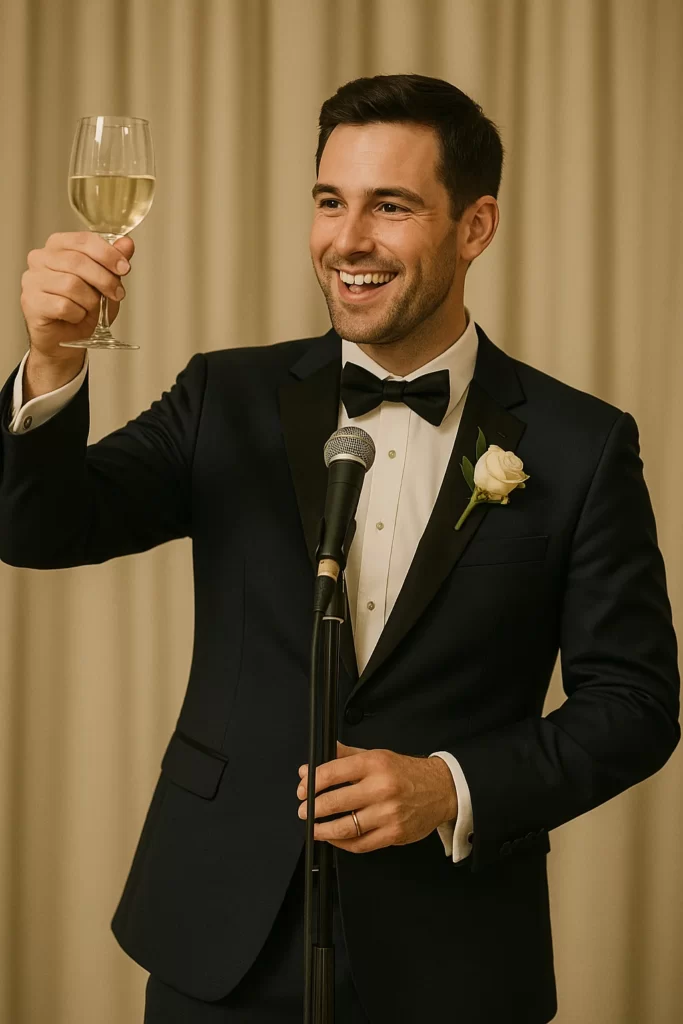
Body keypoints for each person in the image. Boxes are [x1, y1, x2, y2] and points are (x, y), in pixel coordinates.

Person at [0, 73, 679, 1024]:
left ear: (475, 226)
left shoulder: (580, 443)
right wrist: (55, 362)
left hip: (457, 960)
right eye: (330, 201)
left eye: (389, 206)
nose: (347, 241)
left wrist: (451, 788)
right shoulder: (223, 397)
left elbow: (636, 705)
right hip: (219, 938)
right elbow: (38, 531)